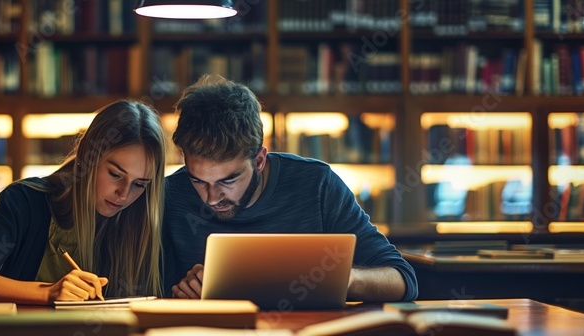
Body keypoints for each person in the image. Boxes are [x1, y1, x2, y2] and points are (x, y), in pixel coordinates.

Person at [163, 75, 418, 302]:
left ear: (259, 160)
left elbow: (403, 280)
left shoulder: (317, 185)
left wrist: (344, 279)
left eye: (228, 181)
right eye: (197, 180)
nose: (211, 198)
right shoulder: (170, 194)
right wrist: (182, 294)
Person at [0, 100, 166, 304]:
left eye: (139, 184)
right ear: (89, 156)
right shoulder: (26, 201)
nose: (124, 194)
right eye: (115, 174)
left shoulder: (142, 215)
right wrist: (48, 292)